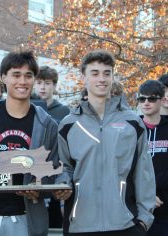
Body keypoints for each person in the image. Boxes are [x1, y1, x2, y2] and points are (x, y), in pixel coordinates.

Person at [0, 51, 64, 236]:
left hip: (24, 219)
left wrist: (38, 189)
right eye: (16, 75)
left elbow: (53, 171)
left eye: (28, 76)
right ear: (4, 78)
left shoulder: (48, 125)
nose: (22, 82)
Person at [58, 50, 155, 236]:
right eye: (94, 73)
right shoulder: (68, 124)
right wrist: (63, 183)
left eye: (107, 73)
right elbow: (63, 167)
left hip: (126, 224)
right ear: (84, 78)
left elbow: (144, 172)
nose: (101, 78)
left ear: (112, 76)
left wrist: (144, 219)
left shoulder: (132, 122)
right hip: (80, 225)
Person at [33, 65, 70, 228]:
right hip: (33, 170)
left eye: (47, 83)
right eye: (39, 82)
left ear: (54, 86)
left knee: (55, 223)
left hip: (55, 169)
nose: (43, 87)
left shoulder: (64, 111)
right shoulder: (28, 108)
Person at [137, 80, 168, 236]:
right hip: (139, 207)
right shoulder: (132, 129)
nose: (146, 103)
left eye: (152, 99)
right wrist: (146, 195)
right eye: (142, 99)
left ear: (162, 100)